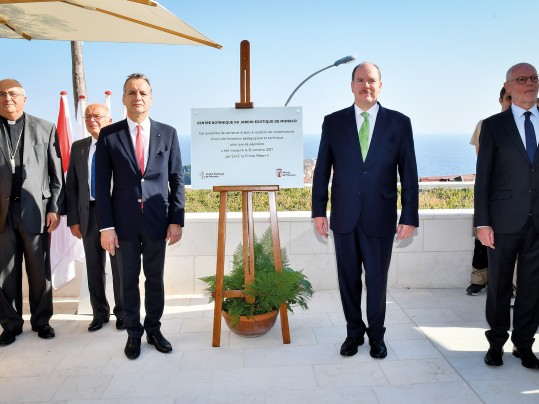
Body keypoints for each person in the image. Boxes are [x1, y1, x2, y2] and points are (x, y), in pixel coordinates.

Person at [312, 62, 419, 359]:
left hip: (381, 216)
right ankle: (353, 334)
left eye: (371, 80)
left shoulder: (399, 123)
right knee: (348, 279)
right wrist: (318, 210)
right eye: (360, 80)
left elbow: (409, 173)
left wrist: (409, 215)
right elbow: (323, 169)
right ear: (351, 85)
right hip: (344, 215)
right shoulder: (333, 122)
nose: (365, 85)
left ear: (380, 85)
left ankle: (377, 337)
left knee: (376, 280)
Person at [95, 73, 185, 360]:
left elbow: (177, 180)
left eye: (143, 92)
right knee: (129, 281)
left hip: (158, 221)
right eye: (131, 93)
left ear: (151, 98)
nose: (138, 97)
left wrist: (176, 219)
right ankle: (133, 334)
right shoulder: (110, 135)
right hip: (123, 224)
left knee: (155, 280)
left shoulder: (168, 133)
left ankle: (154, 330)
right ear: (123, 99)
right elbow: (100, 183)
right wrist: (106, 227)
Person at [475, 62, 539, 369]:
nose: (529, 83)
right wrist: (482, 222)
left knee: (532, 286)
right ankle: (496, 343)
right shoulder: (493, 126)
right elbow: (483, 178)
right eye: (522, 79)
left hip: (538, 221)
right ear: (509, 86)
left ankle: (524, 345)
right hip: (501, 222)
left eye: (533, 78)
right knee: (499, 285)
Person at [0, 79, 65, 346]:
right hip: (2, 212)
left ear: (24, 98)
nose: (8, 98)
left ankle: (42, 321)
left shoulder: (45, 128)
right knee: (5, 273)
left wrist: (55, 209)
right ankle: (11, 324)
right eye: (2, 94)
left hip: (36, 210)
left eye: (13, 94)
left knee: (39, 271)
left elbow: (56, 175)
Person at [66, 103, 125, 332]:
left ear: (109, 120)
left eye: (97, 115)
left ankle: (122, 313)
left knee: (119, 265)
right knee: (93, 266)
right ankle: (99, 313)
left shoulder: (120, 144)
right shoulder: (79, 147)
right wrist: (73, 219)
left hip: (115, 213)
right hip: (88, 213)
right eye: (88, 116)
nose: (92, 119)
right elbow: (72, 186)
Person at [466, 87, 512, 296]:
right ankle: (479, 279)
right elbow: (481, 161)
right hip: (491, 195)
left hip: (520, 197)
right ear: (500, 99)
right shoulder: (486, 125)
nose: (512, 102)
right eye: (508, 98)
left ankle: (513, 285)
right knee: (481, 241)